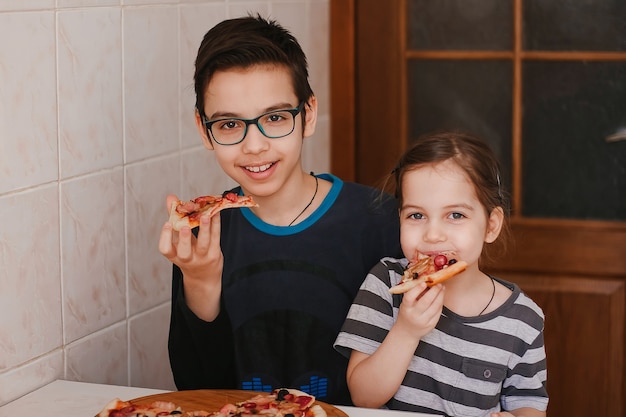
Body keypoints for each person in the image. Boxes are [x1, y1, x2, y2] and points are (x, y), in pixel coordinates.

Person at [158, 15, 401, 405]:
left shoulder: (381, 220)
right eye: (229, 125)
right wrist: (201, 282)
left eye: (274, 118)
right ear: (204, 130)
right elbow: (196, 391)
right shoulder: (203, 233)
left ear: (308, 114)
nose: (254, 145)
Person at [334, 131, 548, 416]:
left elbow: (529, 403)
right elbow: (363, 397)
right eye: (416, 215)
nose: (433, 235)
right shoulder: (385, 282)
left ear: (491, 226)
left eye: (456, 215)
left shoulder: (524, 320)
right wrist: (407, 331)